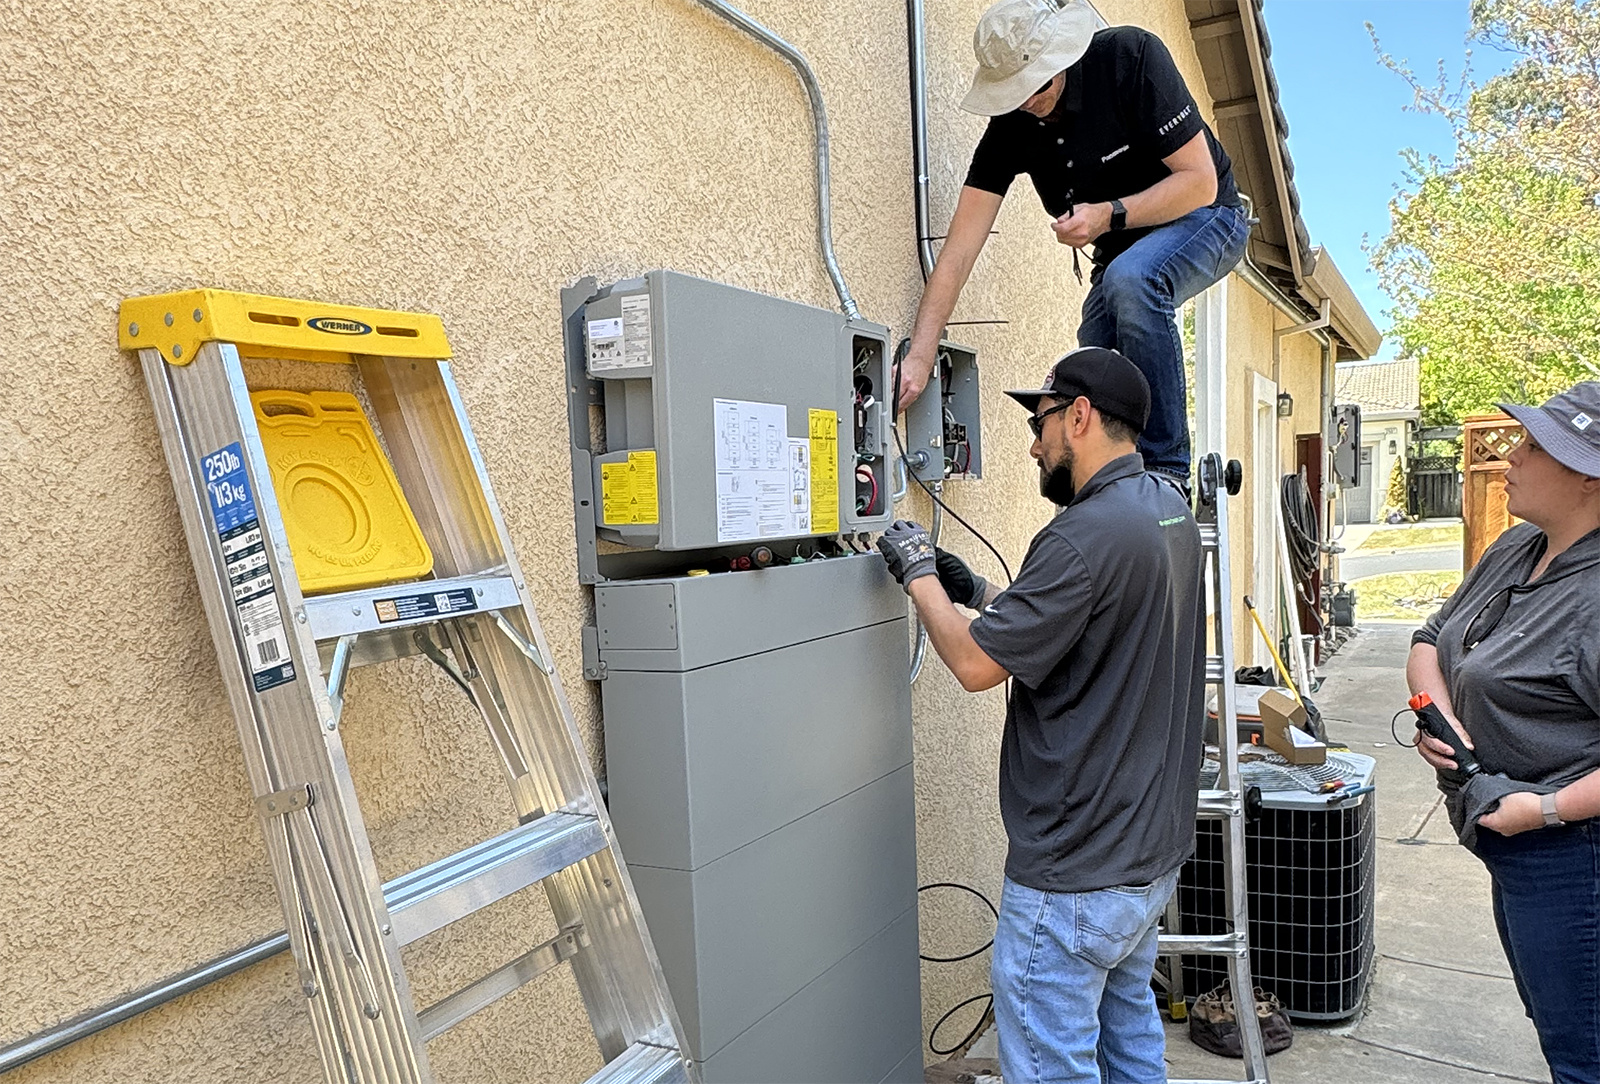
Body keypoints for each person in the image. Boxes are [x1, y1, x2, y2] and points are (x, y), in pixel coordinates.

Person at [877, 346, 1205, 1083]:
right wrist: (983, 592)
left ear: (1081, 416)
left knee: (1052, 1068)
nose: (1034, 442)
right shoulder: (1166, 512)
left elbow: (972, 666)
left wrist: (918, 571)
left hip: (1074, 879)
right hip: (1143, 866)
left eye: (1044, 420)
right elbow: (1094, 622)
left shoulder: (1082, 535)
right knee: (1131, 1049)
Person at [896, 0, 1249, 485]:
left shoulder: (1130, 58)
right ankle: (1109, 481)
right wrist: (919, 353)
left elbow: (1200, 182)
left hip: (1210, 218)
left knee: (1132, 281)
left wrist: (1108, 214)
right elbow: (958, 250)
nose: (1028, 102)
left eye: (1036, 84)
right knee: (1089, 357)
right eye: (1014, 94)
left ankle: (1168, 472)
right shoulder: (1011, 129)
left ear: (1061, 56)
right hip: (1125, 249)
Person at [1408, 381, 1600, 1084]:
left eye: (1535, 445)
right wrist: (1443, 714)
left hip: (1573, 856)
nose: (1510, 457)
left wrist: (1542, 809)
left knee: (1584, 1057)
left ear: (1587, 476)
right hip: (1509, 841)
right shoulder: (1519, 548)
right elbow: (1430, 638)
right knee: (1557, 1030)